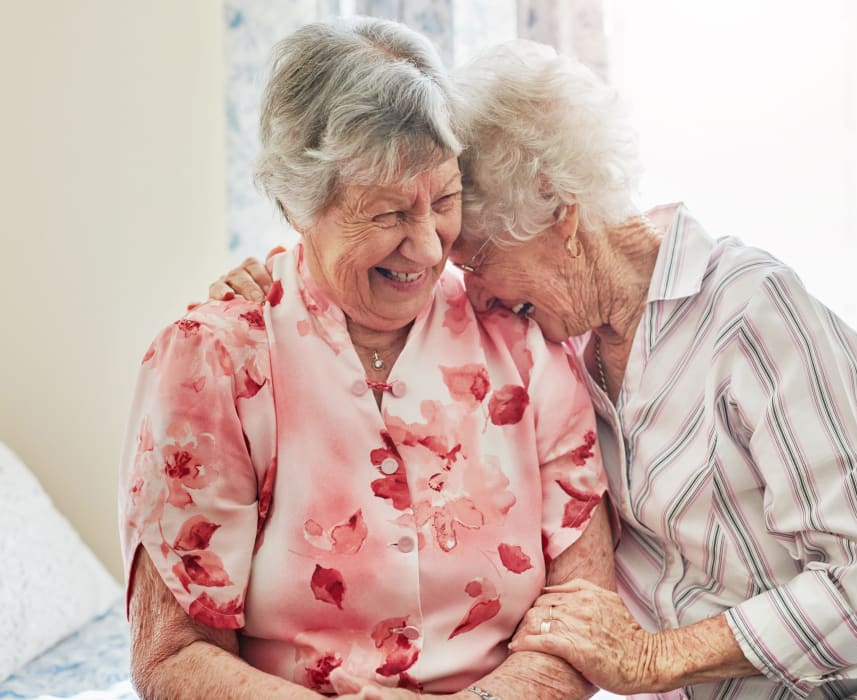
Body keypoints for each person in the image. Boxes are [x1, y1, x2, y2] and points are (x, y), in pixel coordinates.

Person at [219, 38, 857, 700]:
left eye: (476, 256)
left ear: (559, 212)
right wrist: (284, 284)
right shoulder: (551, 348)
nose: (469, 288)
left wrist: (656, 657)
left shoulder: (751, 310)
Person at [119, 20, 614, 700]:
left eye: (442, 201)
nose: (428, 248)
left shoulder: (520, 343)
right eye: (386, 215)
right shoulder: (215, 362)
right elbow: (173, 656)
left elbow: (584, 612)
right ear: (300, 205)